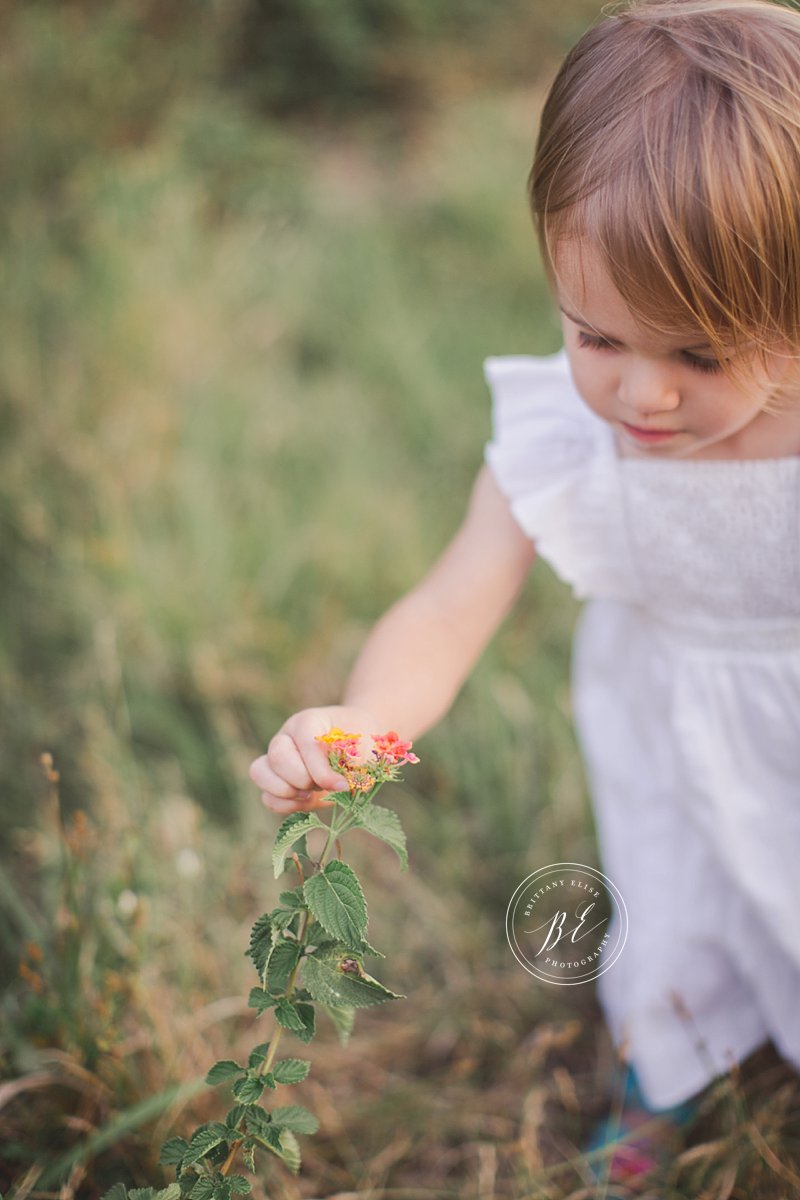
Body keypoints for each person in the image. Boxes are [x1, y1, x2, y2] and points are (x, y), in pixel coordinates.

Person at [250, 0, 800, 1182]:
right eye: (596, 336)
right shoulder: (570, 438)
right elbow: (450, 605)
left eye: (698, 354)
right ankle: (661, 1076)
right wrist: (360, 725)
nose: (639, 395)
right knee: (666, 924)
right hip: (664, 743)